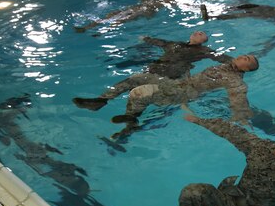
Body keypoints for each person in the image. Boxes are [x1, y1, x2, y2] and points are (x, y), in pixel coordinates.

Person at [108, 54, 259, 141]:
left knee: (139, 92)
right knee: (138, 77)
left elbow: (238, 99)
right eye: (245, 55)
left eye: (246, 59)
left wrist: (241, 117)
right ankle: (105, 99)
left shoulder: (235, 81)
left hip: (183, 93)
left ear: (246, 69)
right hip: (179, 83)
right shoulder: (224, 65)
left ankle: (131, 122)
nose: (242, 56)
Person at [73, 31, 229, 111]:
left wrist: (235, 64)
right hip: (155, 70)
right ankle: (101, 101)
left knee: (143, 92)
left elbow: (222, 57)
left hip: (173, 76)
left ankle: (133, 117)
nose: (198, 33)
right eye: (196, 31)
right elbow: (161, 42)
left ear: (204, 41)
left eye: (202, 34)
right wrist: (145, 38)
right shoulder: (175, 45)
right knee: (130, 80)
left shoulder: (204, 50)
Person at [75, 0, 177, 33]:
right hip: (136, 7)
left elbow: (176, 7)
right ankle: (86, 27)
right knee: (111, 15)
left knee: (125, 19)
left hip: (145, 11)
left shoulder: (168, 3)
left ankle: (103, 31)